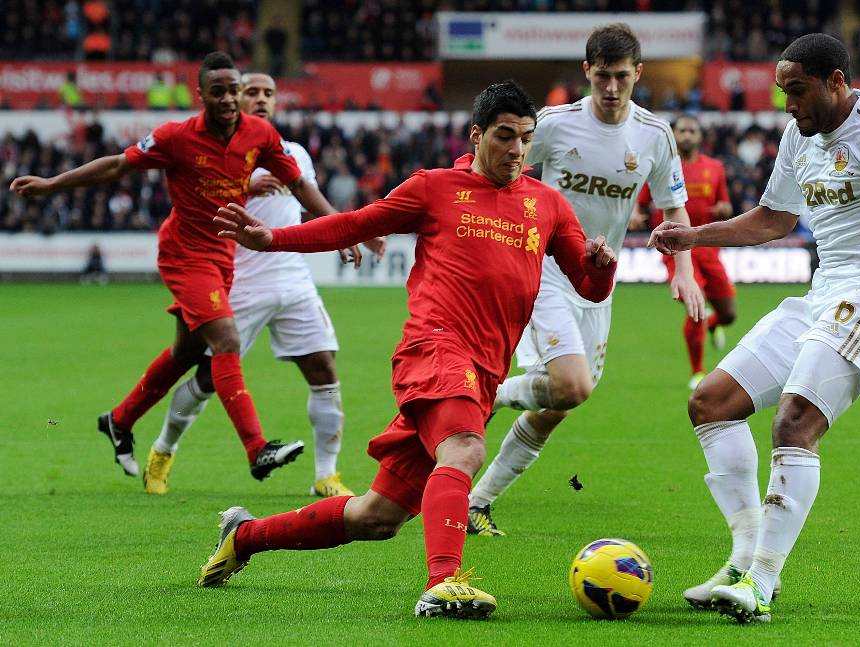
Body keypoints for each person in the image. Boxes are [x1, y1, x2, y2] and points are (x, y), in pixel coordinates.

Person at [195, 81, 618, 620]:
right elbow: (354, 224)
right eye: (504, 136)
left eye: (525, 139)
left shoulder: (548, 204)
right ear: (477, 135)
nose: (515, 150)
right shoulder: (435, 187)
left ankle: (246, 536)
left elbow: (588, 286)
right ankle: (444, 583)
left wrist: (603, 269)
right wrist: (274, 240)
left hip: (484, 371)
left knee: (378, 516)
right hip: (435, 348)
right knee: (464, 449)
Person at [649, 33, 860, 623]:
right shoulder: (797, 137)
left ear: (837, 81)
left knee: (793, 422)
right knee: (710, 402)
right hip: (823, 291)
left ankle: (761, 582)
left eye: (798, 91)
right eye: (783, 92)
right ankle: (742, 560)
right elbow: (775, 219)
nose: (788, 106)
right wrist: (694, 236)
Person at [10, 51, 352, 482]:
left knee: (187, 353)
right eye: (220, 92)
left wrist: (341, 231)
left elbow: (301, 185)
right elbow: (118, 165)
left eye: (233, 90)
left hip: (222, 257)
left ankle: (120, 419)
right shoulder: (175, 137)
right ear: (202, 95)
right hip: (185, 254)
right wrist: (52, 184)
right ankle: (256, 449)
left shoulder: (260, 136)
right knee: (225, 341)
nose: (228, 99)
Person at [466, 23, 702, 537]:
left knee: (561, 403)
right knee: (571, 385)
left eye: (622, 77)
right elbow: (494, 173)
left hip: (598, 284)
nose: (612, 89)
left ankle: (478, 499)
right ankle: (491, 395)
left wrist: (684, 269)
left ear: (638, 74)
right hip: (543, 268)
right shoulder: (552, 124)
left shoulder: (655, 136)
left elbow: (674, 208)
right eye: (602, 77)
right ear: (586, 73)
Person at [143, 72, 383, 497]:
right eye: (250, 91)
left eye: (268, 93)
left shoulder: (293, 155)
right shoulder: (222, 152)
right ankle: (163, 450)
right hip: (236, 282)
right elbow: (194, 199)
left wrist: (349, 232)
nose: (259, 99)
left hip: (292, 280)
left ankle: (326, 476)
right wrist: (246, 183)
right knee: (206, 380)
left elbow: (310, 203)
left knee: (325, 370)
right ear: (236, 98)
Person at [636, 115, 735, 390]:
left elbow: (725, 203)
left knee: (729, 313)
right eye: (682, 130)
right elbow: (641, 202)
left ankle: (716, 325)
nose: (688, 135)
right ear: (674, 135)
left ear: (700, 136)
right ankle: (698, 371)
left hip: (708, 247)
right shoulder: (664, 167)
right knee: (697, 304)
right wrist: (635, 214)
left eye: (693, 130)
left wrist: (724, 210)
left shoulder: (714, 168)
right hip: (676, 249)